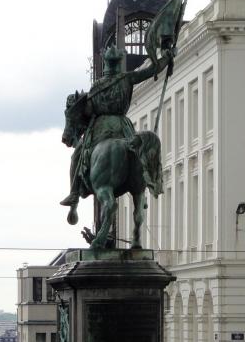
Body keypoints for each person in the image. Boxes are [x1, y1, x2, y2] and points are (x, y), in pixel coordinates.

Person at [59, 44, 168, 225]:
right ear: (119, 63)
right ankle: (141, 188)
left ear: (105, 64)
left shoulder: (96, 86)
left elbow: (87, 111)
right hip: (123, 127)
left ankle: (74, 195)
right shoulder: (128, 78)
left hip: (101, 128)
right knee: (136, 152)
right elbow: (152, 70)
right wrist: (167, 57)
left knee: (76, 157)